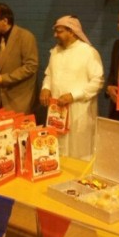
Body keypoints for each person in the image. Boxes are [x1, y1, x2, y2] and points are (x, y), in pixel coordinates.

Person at [40, 15, 104, 159]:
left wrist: (73, 95)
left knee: (78, 151)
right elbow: (49, 74)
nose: (55, 35)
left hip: (79, 110)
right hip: (57, 112)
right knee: (57, 150)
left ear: (72, 32)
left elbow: (97, 81)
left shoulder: (88, 52)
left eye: (59, 31)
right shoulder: (55, 51)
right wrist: (45, 87)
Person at [0, 3, 38, 114]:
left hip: (19, 98)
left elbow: (31, 66)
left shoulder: (26, 36)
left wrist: (5, 78)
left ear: (5, 21)